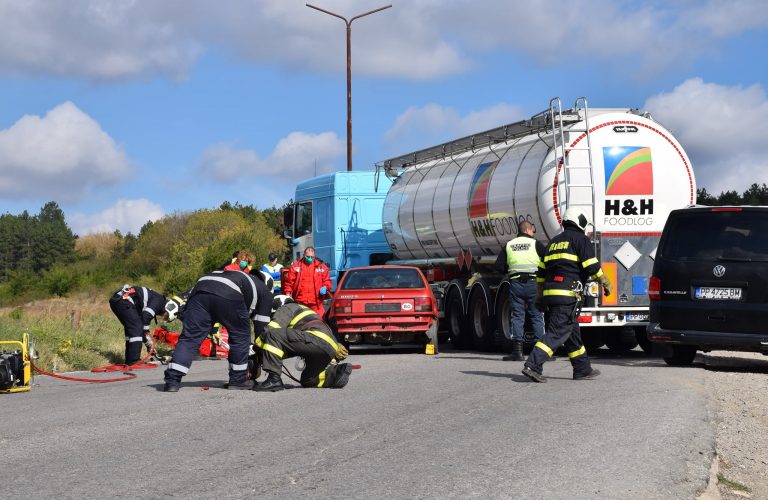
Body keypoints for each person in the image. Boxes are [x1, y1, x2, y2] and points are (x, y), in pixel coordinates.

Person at [521, 207, 612, 383]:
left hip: (551, 294)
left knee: (571, 332)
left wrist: (540, 297)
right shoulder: (581, 240)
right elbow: (591, 266)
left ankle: (582, 369)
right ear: (579, 222)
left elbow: (540, 273)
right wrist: (605, 283)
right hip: (567, 293)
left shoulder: (553, 243)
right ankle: (533, 365)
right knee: (557, 332)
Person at [162, 269, 273, 392]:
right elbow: (261, 329)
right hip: (229, 292)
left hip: (201, 288)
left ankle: (172, 381)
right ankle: (238, 379)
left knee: (190, 338)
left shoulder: (239, 276)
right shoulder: (265, 291)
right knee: (240, 335)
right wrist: (259, 351)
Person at [252, 295, 352, 392]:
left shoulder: (287, 307)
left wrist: (255, 348)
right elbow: (288, 346)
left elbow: (272, 329)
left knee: (272, 334)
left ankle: (274, 380)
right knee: (308, 380)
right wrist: (269, 356)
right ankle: (335, 373)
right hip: (329, 348)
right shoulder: (306, 311)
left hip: (315, 340)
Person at [501, 221, 546, 361]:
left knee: (517, 316)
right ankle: (541, 352)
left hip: (516, 284)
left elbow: (500, 265)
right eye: (532, 230)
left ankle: (518, 352)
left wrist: (509, 271)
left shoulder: (509, 244)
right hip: (533, 283)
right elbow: (547, 261)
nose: (533, 232)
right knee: (536, 315)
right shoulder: (536, 244)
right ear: (527, 230)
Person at [109, 285, 166, 365]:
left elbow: (142, 321)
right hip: (123, 300)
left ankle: (129, 361)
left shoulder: (154, 298)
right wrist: (146, 336)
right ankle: (134, 361)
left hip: (117, 301)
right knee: (136, 327)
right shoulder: (160, 301)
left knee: (132, 330)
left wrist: (146, 340)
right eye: (165, 316)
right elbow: (146, 316)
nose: (163, 317)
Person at [282, 247, 332, 316]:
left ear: (315, 256)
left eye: (312, 257)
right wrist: (287, 294)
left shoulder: (321, 267)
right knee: (300, 324)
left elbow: (327, 281)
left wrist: (325, 287)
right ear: (303, 255)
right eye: (308, 256)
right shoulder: (296, 266)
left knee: (320, 323)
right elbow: (289, 282)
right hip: (300, 303)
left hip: (316, 304)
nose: (310, 258)